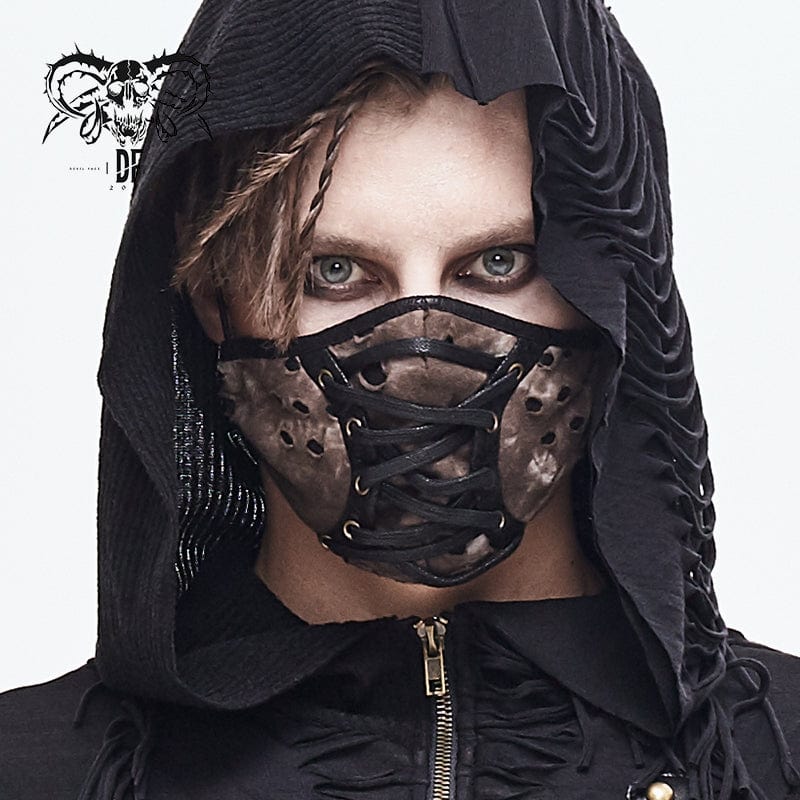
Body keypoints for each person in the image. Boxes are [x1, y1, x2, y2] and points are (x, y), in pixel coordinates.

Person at [1, 2, 799, 799]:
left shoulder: (774, 759)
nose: (420, 361)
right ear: (213, 294)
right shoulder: (36, 772)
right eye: (335, 273)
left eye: (499, 264)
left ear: (607, 289)